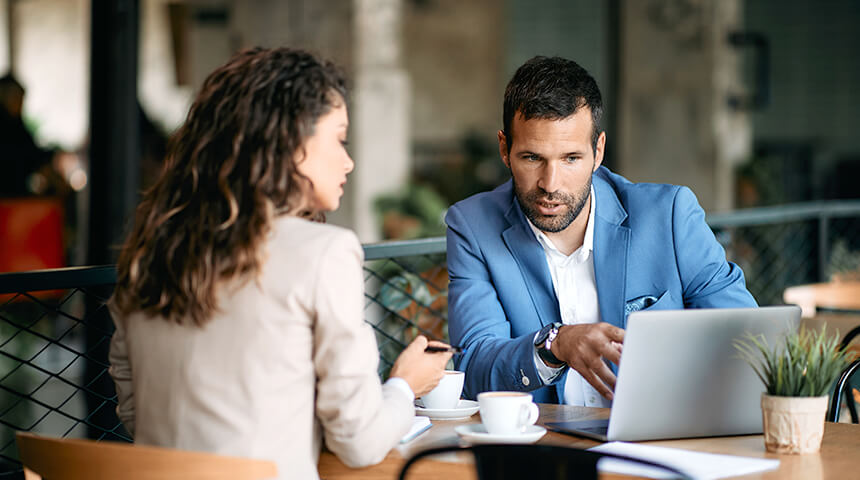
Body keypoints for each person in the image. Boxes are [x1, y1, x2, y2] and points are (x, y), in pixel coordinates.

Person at [108, 47, 451, 480]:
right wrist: (405, 384)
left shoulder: (151, 246)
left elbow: (135, 408)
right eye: (339, 138)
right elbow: (359, 441)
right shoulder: (325, 252)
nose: (348, 161)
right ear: (293, 144)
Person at [445, 56, 757, 406]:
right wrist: (555, 344)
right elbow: (473, 369)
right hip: (544, 448)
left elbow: (746, 336)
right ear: (505, 149)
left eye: (571, 159)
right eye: (532, 158)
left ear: (598, 151)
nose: (550, 184)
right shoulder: (472, 227)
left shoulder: (669, 216)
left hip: (660, 441)